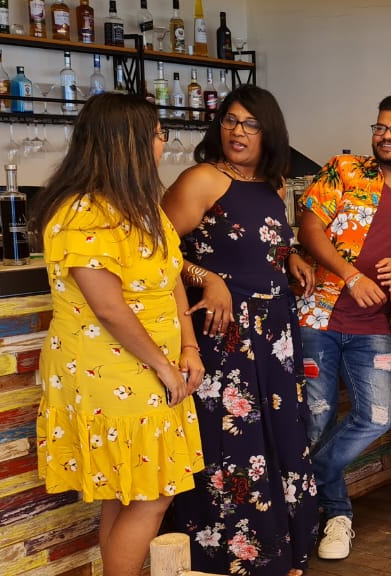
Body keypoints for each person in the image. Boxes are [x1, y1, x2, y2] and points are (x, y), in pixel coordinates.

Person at [31, 93, 204, 576]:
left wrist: (189, 347)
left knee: (130, 487)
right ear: (128, 143)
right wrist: (164, 365)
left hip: (152, 366)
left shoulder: (143, 207)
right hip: (108, 371)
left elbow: (171, 278)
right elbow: (108, 307)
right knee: (153, 494)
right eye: (158, 134)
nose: (162, 143)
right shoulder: (83, 212)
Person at [161, 85, 319, 576]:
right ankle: (229, 558)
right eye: (230, 120)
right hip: (223, 333)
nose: (238, 131)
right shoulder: (202, 180)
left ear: (269, 132)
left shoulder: (274, 184)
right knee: (232, 444)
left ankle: (282, 552)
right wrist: (206, 278)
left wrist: (291, 256)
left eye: (251, 123)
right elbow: (155, 251)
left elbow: (261, 243)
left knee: (279, 436)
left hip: (274, 334)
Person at [297, 95, 391, 560]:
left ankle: (300, 482)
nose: (387, 135)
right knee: (316, 419)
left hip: (375, 323)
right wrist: (351, 276)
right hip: (317, 316)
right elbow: (308, 228)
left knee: (378, 416)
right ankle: (336, 516)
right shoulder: (344, 170)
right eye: (381, 127)